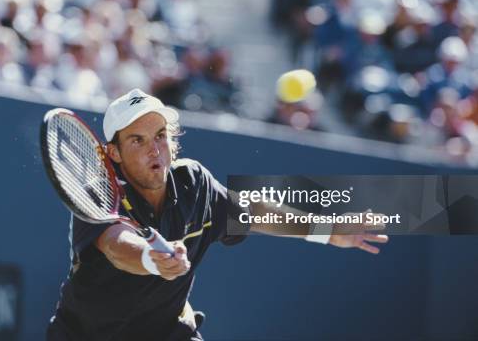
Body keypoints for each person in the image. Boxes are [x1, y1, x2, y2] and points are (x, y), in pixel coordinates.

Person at [46, 88, 389, 341]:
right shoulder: (96, 193)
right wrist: (153, 259)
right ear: (114, 153)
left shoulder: (194, 182)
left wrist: (327, 229)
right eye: (137, 140)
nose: (154, 148)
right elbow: (117, 246)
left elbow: (253, 212)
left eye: (161, 136)